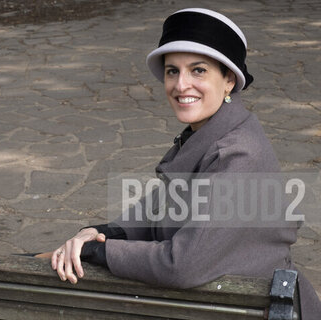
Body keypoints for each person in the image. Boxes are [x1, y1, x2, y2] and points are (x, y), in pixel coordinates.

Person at [49, 8, 321, 319]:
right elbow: (158, 208)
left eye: (198, 70)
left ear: (229, 80)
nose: (181, 85)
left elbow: (183, 264)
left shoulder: (239, 154)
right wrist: (98, 234)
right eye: (172, 71)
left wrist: (101, 251)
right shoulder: (207, 135)